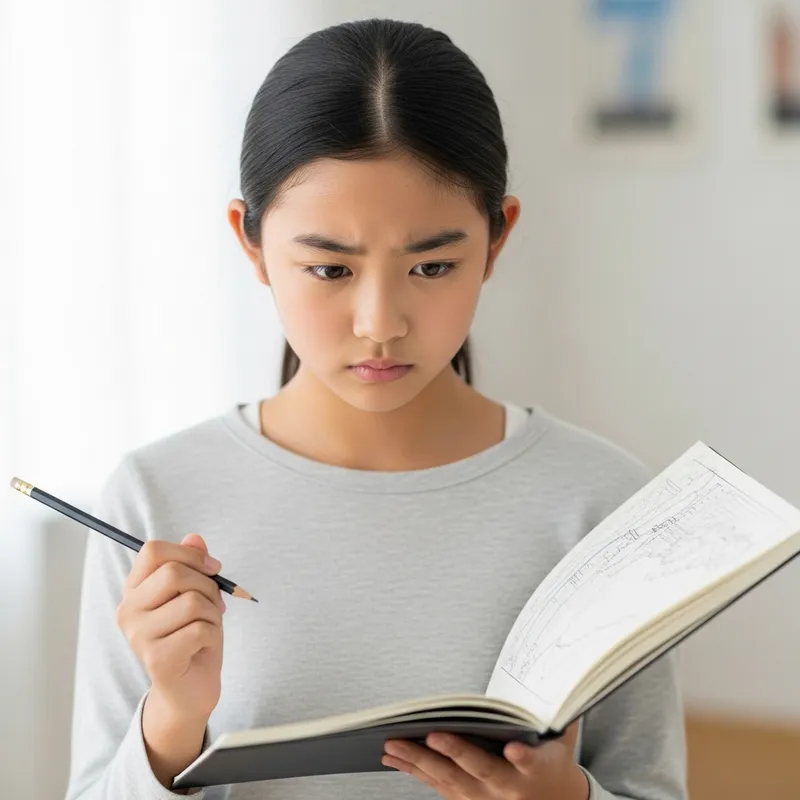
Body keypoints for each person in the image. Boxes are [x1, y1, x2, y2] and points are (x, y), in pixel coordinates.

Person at [64, 17, 687, 800]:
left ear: (497, 241)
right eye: (330, 269)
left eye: (433, 266)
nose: (380, 322)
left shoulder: (603, 504)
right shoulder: (154, 497)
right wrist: (173, 720)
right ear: (252, 245)